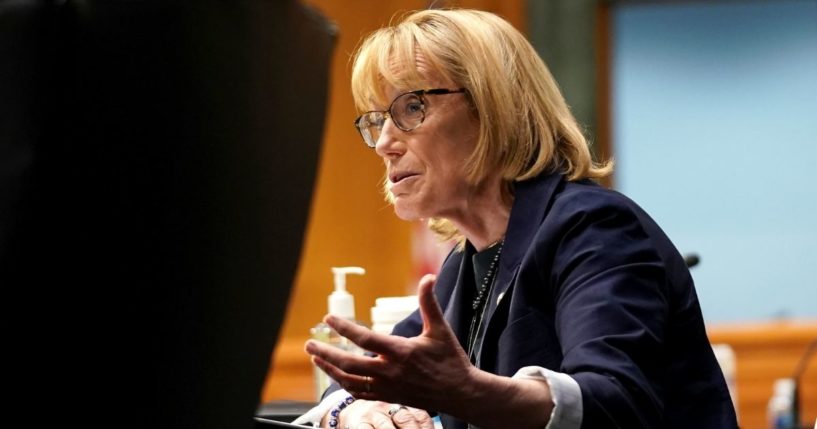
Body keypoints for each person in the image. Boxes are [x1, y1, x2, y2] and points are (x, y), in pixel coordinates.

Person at [293, 8, 738, 429]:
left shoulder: (593, 228)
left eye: (411, 108)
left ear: (492, 110)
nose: (384, 142)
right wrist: (351, 409)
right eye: (377, 119)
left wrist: (466, 392)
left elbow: (615, 401)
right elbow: (372, 375)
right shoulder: (464, 262)